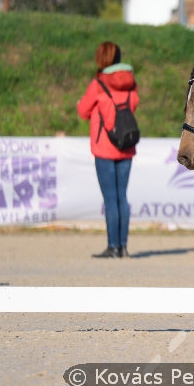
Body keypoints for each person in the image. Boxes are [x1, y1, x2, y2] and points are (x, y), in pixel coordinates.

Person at [77, 41, 139, 258]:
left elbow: (84, 111)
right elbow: (133, 105)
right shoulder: (131, 83)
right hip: (127, 145)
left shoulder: (98, 84)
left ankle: (112, 246)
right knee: (123, 197)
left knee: (111, 199)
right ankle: (123, 247)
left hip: (104, 148)